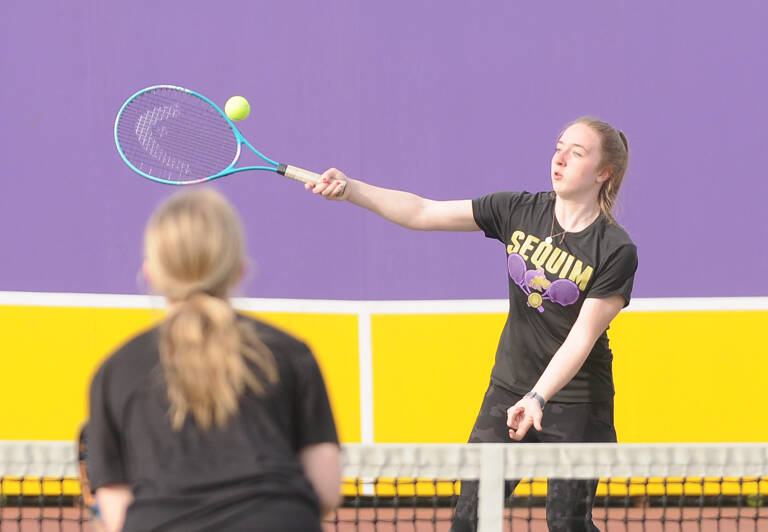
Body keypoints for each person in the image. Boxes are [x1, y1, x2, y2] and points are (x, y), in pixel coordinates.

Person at [308, 117, 637, 531]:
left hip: (577, 404)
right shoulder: (518, 210)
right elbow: (422, 211)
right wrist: (351, 190)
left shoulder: (615, 248)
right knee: (469, 516)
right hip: (510, 387)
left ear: (603, 173)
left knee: (567, 523)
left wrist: (538, 397)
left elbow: (583, 336)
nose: (560, 159)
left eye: (577, 153)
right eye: (559, 146)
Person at [86, 189, 341, 532]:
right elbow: (325, 491)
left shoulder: (114, 372)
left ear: (151, 273)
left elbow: (116, 513)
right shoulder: (292, 355)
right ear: (238, 270)